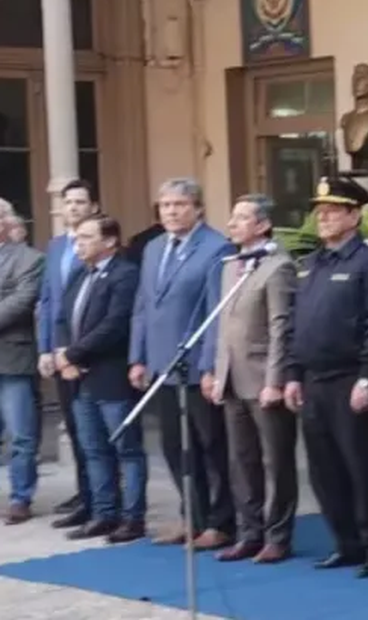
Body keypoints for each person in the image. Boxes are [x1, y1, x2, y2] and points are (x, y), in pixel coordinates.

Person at [285, 176, 368, 578]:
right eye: (320, 211)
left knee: (365, 466)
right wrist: (293, 374)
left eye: (333, 211)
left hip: (352, 378)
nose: (323, 217)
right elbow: (297, 325)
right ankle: (346, 543)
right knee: (325, 469)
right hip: (314, 380)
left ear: (354, 215)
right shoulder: (311, 264)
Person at [129, 178, 235, 549]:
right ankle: (192, 517)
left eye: (179, 204)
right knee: (174, 447)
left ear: (198, 208)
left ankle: (221, 522)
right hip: (162, 365)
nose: (171, 212)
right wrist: (138, 357)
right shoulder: (154, 247)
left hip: (195, 365)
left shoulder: (217, 248)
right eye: (165, 205)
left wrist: (209, 366)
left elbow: (216, 314)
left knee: (210, 447)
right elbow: (143, 305)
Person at [203, 194, 298, 564]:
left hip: (262, 379)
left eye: (242, 218)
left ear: (263, 225)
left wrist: (275, 380)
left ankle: (278, 535)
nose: (232, 224)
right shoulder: (230, 265)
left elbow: (281, 328)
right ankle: (249, 532)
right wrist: (216, 372)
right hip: (232, 379)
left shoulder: (278, 266)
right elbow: (222, 326)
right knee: (241, 462)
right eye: (232, 217)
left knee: (275, 462)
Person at [54, 214, 146, 543]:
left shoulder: (125, 274)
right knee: (93, 449)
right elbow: (62, 318)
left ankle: (133, 518)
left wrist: (72, 354)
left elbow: (115, 325)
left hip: (111, 375)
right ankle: (103, 513)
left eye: (86, 237)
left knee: (126, 450)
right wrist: (64, 354)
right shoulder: (81, 274)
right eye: (77, 238)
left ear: (109, 241)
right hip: (81, 378)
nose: (78, 244)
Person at [38, 179, 99, 526]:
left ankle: (104, 497)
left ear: (93, 207)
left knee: (95, 430)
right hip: (59, 351)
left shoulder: (100, 243)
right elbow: (48, 302)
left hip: (88, 350)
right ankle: (85, 493)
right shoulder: (57, 245)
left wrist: (75, 351)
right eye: (68, 202)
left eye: (80, 201)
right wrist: (46, 348)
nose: (73, 207)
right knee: (75, 427)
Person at [0, 198, 45, 525]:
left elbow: (21, 301)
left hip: (13, 359)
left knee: (21, 434)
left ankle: (20, 498)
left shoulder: (30, 259)